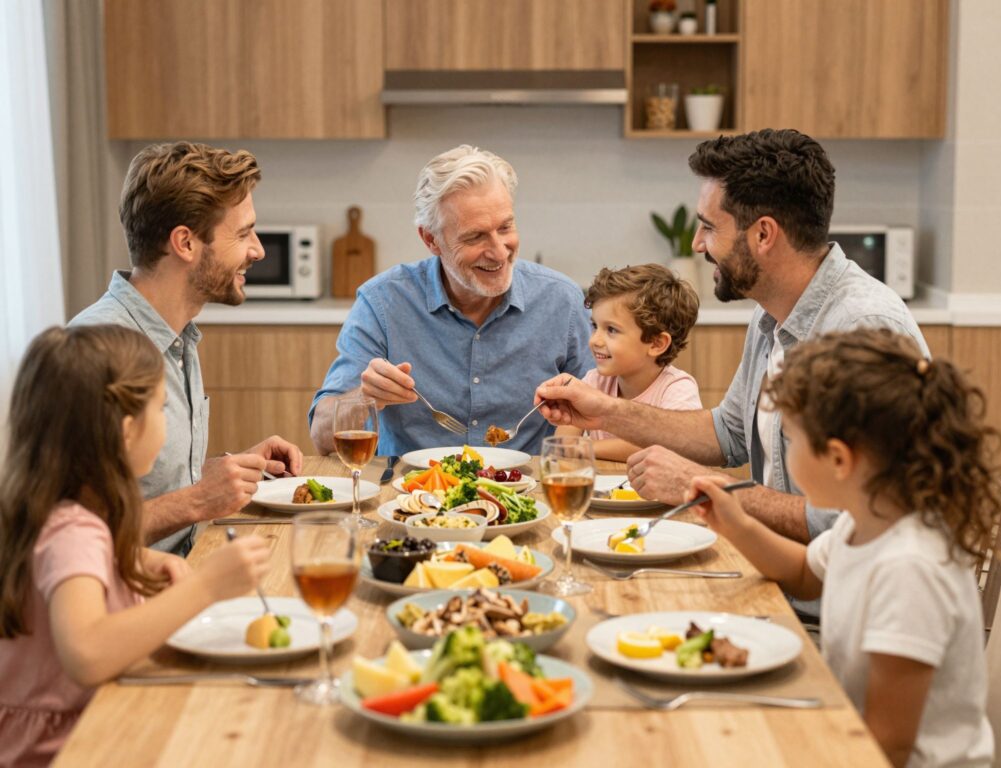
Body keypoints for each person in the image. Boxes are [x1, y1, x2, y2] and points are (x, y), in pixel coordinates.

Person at [537, 128, 928, 546]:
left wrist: (708, 485)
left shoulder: (863, 329)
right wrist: (603, 412)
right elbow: (729, 434)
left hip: (828, 605)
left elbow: (861, 523)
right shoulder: (770, 313)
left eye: (709, 227)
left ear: (763, 234)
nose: (698, 243)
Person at [686, 329, 996, 768]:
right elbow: (803, 574)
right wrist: (735, 523)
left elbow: (888, 744)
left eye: (791, 440)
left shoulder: (910, 567)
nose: (785, 457)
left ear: (838, 459)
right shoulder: (864, 521)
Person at [0, 325, 271, 768]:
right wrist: (205, 587)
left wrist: (135, 558)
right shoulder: (72, 529)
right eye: (161, 408)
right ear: (127, 431)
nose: (165, 423)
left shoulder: (54, 508)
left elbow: (62, 569)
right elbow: (87, 654)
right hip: (66, 747)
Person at [70, 142, 302, 556]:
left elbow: (140, 487)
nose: (258, 251)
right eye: (244, 233)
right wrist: (198, 499)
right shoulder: (97, 353)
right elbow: (68, 538)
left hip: (186, 572)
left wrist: (226, 472)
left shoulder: (177, 337)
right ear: (186, 243)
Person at [309, 144, 593, 456]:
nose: (499, 251)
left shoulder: (562, 301)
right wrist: (365, 397)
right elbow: (321, 434)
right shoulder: (382, 303)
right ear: (431, 239)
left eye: (505, 227)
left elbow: (598, 414)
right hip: (409, 498)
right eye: (475, 237)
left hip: (526, 494)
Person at [556, 264, 702, 461]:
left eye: (612, 330)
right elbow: (562, 445)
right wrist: (564, 407)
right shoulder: (595, 381)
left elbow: (666, 446)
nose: (594, 340)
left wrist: (586, 447)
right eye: (595, 326)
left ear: (657, 343)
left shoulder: (677, 388)